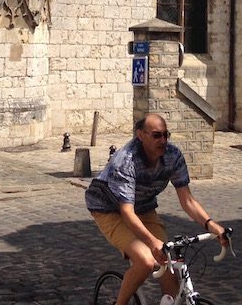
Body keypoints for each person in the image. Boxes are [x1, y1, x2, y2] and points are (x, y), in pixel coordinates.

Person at [85, 113, 227, 305]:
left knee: (166, 260)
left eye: (166, 135)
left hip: (143, 206)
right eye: (156, 135)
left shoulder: (173, 156)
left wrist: (211, 225)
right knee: (146, 260)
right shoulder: (126, 161)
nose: (163, 140)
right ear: (140, 135)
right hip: (109, 208)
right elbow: (126, 212)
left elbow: (187, 200)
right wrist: (152, 243)